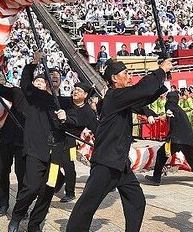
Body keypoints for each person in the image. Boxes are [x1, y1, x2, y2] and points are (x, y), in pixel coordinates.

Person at [65, 57, 172, 232]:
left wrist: (162, 79)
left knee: (136, 201)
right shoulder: (114, 96)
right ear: (114, 78)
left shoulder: (121, 99)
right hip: (106, 162)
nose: (129, 77)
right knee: (87, 205)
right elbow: (141, 89)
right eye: (126, 74)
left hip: (120, 163)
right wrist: (160, 70)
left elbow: (142, 98)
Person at [8, 53, 73, 232]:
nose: (53, 78)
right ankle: (17, 215)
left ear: (61, 82)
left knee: (47, 190)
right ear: (44, 83)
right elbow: (26, 83)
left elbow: (82, 114)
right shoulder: (36, 97)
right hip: (35, 150)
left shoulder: (66, 102)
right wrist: (34, 62)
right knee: (30, 188)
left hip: (55, 155)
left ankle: (34, 224)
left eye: (56, 76)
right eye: (49, 76)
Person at [145, 91, 193, 189]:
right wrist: (162, 116)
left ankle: (156, 178)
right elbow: (171, 115)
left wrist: (166, 112)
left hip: (175, 140)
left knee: (161, 154)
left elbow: (170, 110)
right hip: (188, 140)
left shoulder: (169, 104)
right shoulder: (180, 110)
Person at [0, 76, 29, 217]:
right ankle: (2, 204)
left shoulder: (42, 102)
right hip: (7, 138)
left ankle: (21, 206)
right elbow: (0, 89)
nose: (39, 85)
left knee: (22, 175)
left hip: (24, 143)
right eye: (37, 82)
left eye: (42, 83)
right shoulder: (18, 93)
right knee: (3, 172)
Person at [56, 80, 99, 203]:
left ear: (85, 95)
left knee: (68, 165)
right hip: (57, 136)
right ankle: (59, 180)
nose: (75, 92)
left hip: (71, 141)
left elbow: (96, 130)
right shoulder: (65, 102)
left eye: (79, 91)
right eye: (75, 89)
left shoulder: (88, 112)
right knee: (50, 162)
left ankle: (70, 192)